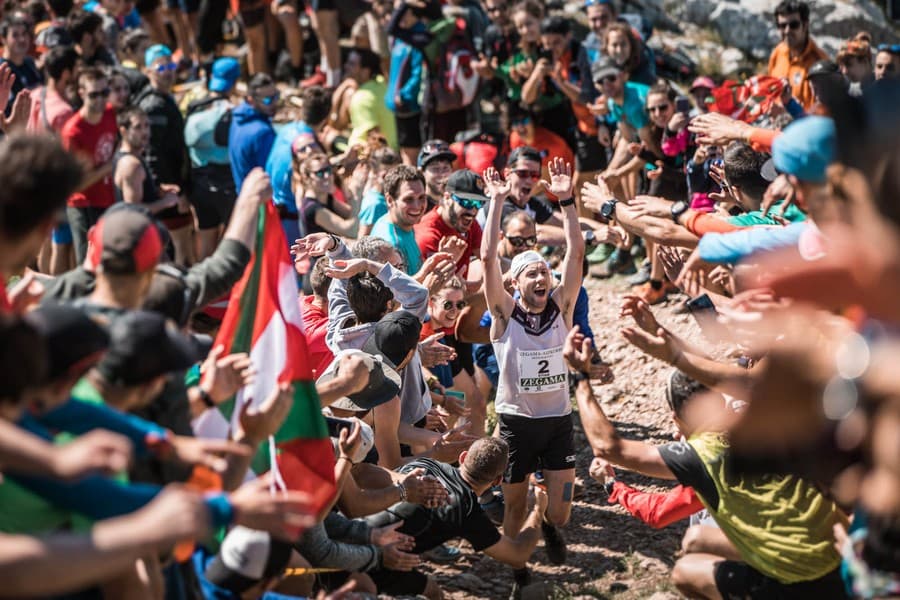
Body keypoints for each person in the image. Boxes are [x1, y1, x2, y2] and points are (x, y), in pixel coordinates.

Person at [564, 325, 849, 599]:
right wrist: (672, 349)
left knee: (685, 572)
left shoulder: (701, 456)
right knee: (697, 538)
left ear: (676, 420)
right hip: (842, 557)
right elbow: (728, 376)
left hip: (802, 583)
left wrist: (580, 379)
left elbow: (610, 449)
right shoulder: (763, 414)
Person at [480, 157, 583, 587]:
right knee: (511, 508)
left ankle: (548, 518)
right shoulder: (503, 315)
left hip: (557, 420)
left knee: (561, 511)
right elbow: (487, 257)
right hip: (516, 424)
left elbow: (576, 252)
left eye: (545, 270)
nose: (542, 275)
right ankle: (519, 573)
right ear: (515, 283)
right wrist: (497, 203)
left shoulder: (561, 306)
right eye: (532, 272)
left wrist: (568, 201)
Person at [365, 437, 549, 598]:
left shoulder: (426, 464)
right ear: (497, 481)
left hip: (351, 526)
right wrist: (537, 510)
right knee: (433, 592)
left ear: (462, 458)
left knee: (432, 589)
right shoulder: (466, 510)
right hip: (374, 560)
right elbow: (517, 556)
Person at [134, 44, 193, 264]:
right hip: (167, 190)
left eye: (171, 65)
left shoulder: (163, 98)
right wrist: (170, 193)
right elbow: (152, 155)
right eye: (160, 68)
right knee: (177, 249)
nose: (168, 71)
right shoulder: (153, 105)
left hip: (172, 186)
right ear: (148, 71)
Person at [184, 56, 241, 259]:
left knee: (205, 239)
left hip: (199, 184)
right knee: (229, 241)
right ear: (235, 82)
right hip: (226, 185)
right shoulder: (233, 112)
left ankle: (204, 285)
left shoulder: (194, 105)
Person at [60, 67, 117, 264]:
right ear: (81, 93)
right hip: (83, 204)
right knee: (87, 263)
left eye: (105, 93)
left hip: (108, 199)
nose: (101, 99)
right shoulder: (73, 131)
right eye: (94, 95)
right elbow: (73, 184)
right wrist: (109, 167)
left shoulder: (111, 114)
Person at [414, 168, 485, 277]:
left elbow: (488, 259)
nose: (473, 210)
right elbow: (431, 289)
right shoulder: (428, 235)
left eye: (479, 203)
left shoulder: (469, 222)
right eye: (467, 202)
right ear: (447, 198)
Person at [113, 106, 181, 214]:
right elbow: (133, 211)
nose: (145, 132)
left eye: (147, 125)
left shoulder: (134, 156)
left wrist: (158, 190)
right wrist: (166, 202)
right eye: (138, 127)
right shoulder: (131, 164)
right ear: (123, 131)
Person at [767, 0, 828, 110]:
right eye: (782, 25)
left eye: (793, 25)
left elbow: (823, 114)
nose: (787, 31)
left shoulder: (820, 63)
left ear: (805, 25)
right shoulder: (777, 53)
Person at [370, 165, 427, 275]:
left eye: (421, 197)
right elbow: (399, 290)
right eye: (408, 199)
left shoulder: (404, 223)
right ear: (390, 200)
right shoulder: (391, 245)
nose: (417, 206)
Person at [229, 72, 278, 189]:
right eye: (267, 100)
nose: (274, 103)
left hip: (242, 193)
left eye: (276, 96)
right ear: (251, 100)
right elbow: (272, 174)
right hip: (260, 200)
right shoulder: (263, 133)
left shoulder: (237, 118)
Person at [346, 47, 398, 150]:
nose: (346, 66)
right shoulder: (382, 82)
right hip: (392, 149)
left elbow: (375, 139)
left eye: (352, 64)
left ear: (365, 71)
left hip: (366, 157)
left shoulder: (361, 98)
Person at [0, 17, 42, 114]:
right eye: (15, 35)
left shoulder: (30, 63)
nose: (22, 39)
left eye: (24, 34)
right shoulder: (2, 69)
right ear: (3, 39)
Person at [417, 139, 456, 211]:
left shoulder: (458, 204)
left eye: (445, 168)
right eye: (435, 169)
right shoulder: (416, 207)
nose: (442, 174)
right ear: (422, 172)